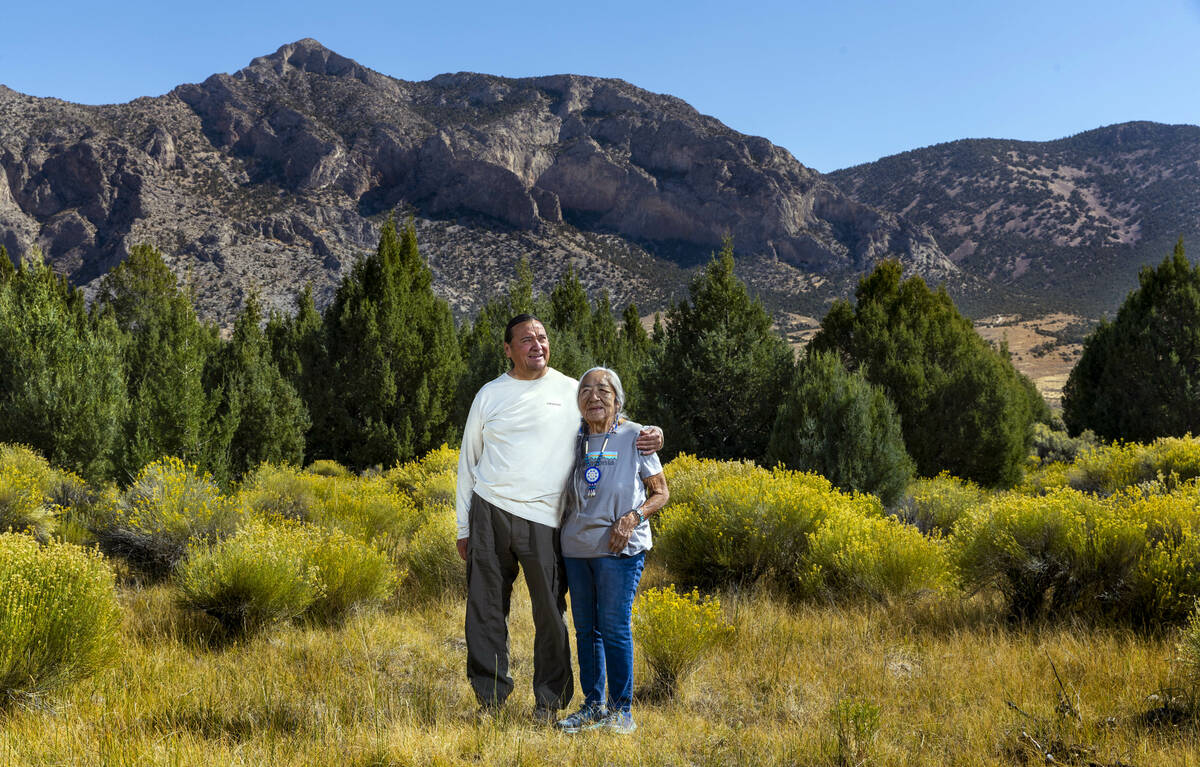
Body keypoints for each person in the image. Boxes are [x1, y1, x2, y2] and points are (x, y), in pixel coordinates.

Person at [455, 314, 662, 721]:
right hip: (489, 511)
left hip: (546, 520)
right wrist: (464, 526)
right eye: (527, 340)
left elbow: (612, 419)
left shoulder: (571, 391)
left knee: (550, 612)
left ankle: (549, 703)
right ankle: (490, 700)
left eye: (543, 338)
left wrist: (653, 433)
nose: (537, 345)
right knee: (485, 610)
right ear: (508, 349)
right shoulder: (489, 395)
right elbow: (469, 461)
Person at [554, 367, 669, 734]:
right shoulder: (572, 439)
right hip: (577, 549)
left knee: (614, 627)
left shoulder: (636, 436)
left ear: (617, 399)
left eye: (603, 390)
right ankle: (593, 705)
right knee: (586, 630)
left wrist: (632, 518)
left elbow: (661, 492)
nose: (593, 397)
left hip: (620, 548)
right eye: (585, 391)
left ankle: (622, 711)